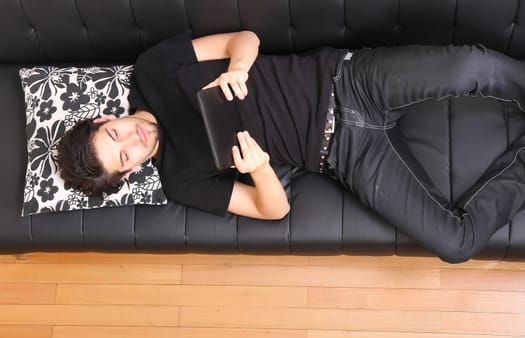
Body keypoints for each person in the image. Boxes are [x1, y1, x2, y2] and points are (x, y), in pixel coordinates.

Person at [57, 30, 525, 263]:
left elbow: (246, 36)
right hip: (345, 154)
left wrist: (238, 68)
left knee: (469, 67)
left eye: (115, 133)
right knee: (455, 243)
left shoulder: (152, 70)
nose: (132, 139)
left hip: (347, 81)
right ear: (130, 172)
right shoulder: (181, 180)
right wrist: (260, 169)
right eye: (123, 155)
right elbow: (273, 211)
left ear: (105, 117)